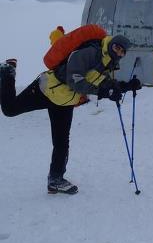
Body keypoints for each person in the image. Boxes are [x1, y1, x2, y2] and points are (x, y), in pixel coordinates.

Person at [0, 32, 142, 195]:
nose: (118, 52)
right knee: (9, 109)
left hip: (65, 101)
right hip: (47, 89)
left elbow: (106, 84)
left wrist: (127, 86)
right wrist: (106, 92)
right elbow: (75, 81)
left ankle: (55, 180)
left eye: (122, 51)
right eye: (117, 47)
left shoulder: (107, 62)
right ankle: (8, 71)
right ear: (111, 44)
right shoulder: (90, 53)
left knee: (61, 142)